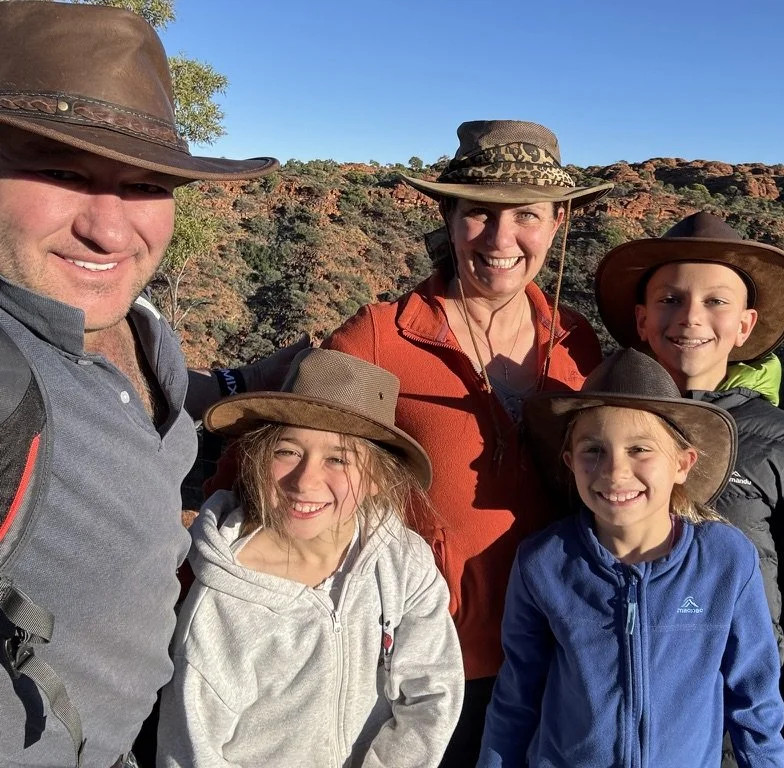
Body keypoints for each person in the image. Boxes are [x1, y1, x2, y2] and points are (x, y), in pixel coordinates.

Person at [0, 3, 285, 766]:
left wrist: (246, 382)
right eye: (61, 172)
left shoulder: (139, 328)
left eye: (147, 184)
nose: (112, 229)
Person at [320, 120, 614, 765]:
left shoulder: (574, 340)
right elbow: (285, 470)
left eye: (527, 217)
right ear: (449, 216)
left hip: (564, 649)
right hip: (424, 662)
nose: (502, 239)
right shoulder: (380, 338)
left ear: (557, 222)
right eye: (479, 213)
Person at [595, 212, 784, 768]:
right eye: (669, 299)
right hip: (611, 726)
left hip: (741, 730)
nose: (690, 317)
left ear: (745, 324)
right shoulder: (596, 435)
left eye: (716, 301)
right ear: (641, 319)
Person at [478, 348, 784, 767]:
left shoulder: (725, 562)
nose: (614, 472)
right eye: (593, 451)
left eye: (640, 449)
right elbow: (517, 696)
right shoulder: (544, 563)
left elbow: (755, 701)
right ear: (570, 462)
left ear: (682, 463)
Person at [156, 349, 463, 768]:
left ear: (376, 478)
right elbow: (192, 752)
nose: (305, 480)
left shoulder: (403, 564)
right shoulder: (222, 608)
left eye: (338, 459)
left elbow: (434, 691)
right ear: (259, 458)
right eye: (287, 452)